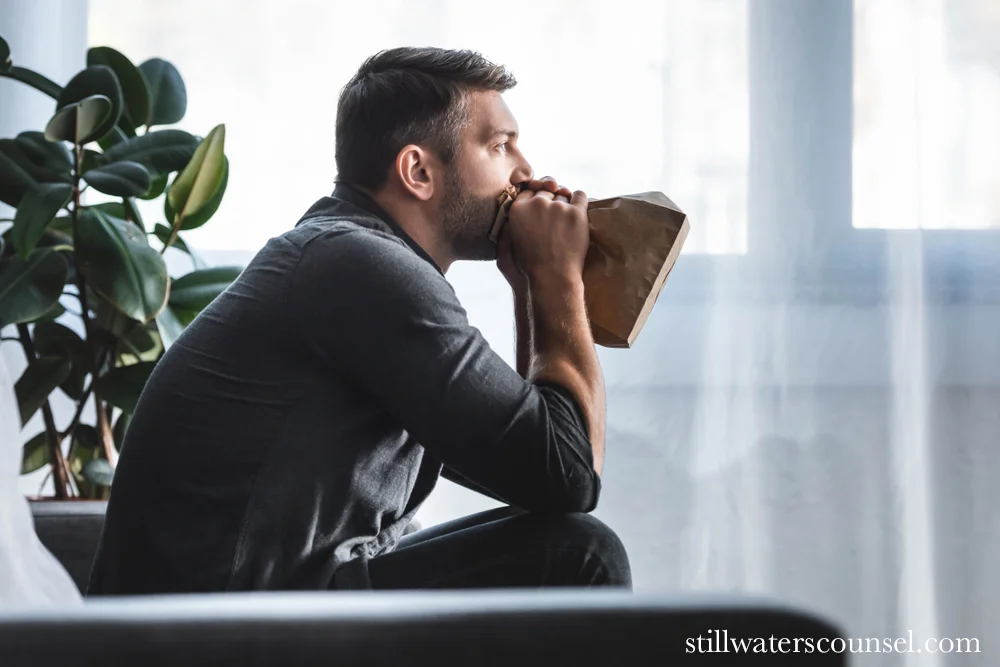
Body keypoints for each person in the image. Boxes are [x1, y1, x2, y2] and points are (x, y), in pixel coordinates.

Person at [87, 47, 631, 595]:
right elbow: (569, 475)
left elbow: (531, 470)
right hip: (216, 632)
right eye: (499, 146)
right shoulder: (361, 265)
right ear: (418, 170)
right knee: (581, 554)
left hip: (261, 603)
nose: (526, 170)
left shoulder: (345, 256)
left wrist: (531, 284)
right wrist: (557, 276)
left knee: (561, 539)